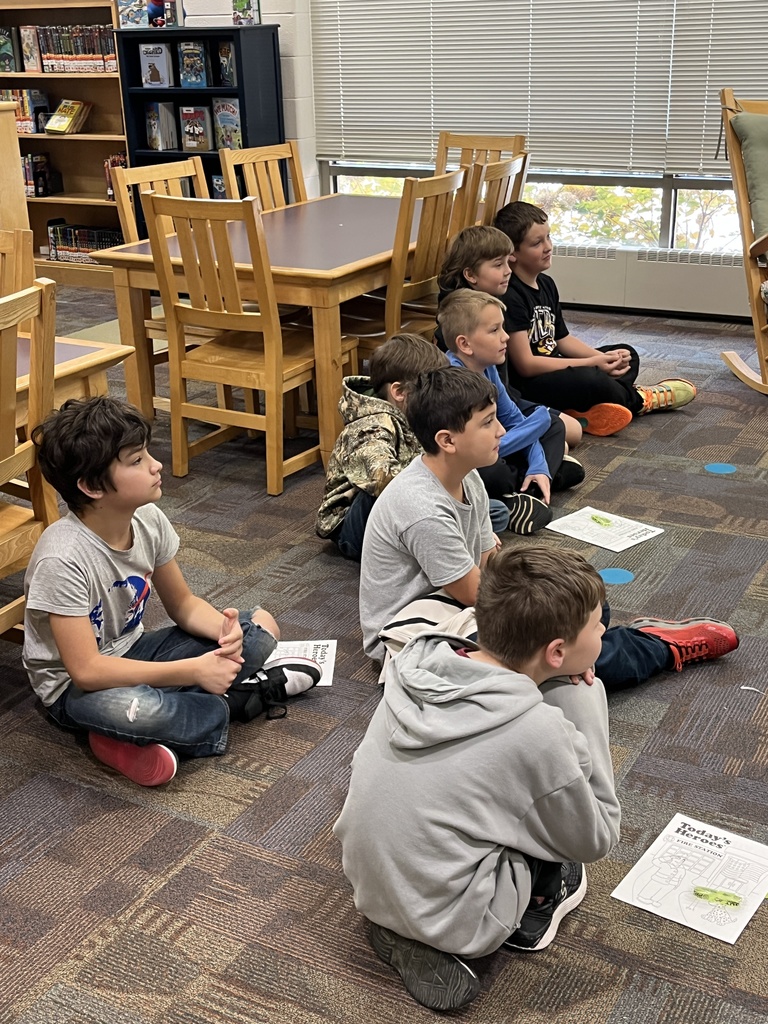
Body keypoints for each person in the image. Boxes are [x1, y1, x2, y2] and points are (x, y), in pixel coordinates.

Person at [336, 546, 622, 1011]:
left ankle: (396, 925)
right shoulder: (537, 732)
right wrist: (586, 709)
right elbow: (598, 836)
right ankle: (533, 902)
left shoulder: (417, 664)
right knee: (547, 820)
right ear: (556, 651)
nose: (604, 630)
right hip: (462, 920)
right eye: (595, 625)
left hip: (368, 881)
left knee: (468, 794)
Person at [359, 367, 739, 685]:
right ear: (448, 440)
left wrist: (554, 603)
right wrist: (551, 633)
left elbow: (491, 561)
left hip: (457, 611)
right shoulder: (422, 507)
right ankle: (657, 646)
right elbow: (475, 594)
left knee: (585, 607)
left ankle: (589, 643)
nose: (502, 432)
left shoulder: (467, 476)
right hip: (415, 638)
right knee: (558, 662)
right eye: (487, 423)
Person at [23, 396, 322, 787]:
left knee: (258, 633)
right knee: (146, 711)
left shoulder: (147, 518)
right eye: (136, 461)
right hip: (73, 688)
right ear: (92, 486)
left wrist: (223, 632)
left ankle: (132, 736)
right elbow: (87, 670)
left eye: (147, 453)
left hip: (134, 650)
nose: (156, 464)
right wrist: (193, 670)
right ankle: (239, 701)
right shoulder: (62, 559)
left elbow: (183, 605)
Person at [494, 201, 698, 436]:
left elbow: (562, 339)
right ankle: (639, 399)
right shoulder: (510, 295)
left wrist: (602, 357)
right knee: (591, 379)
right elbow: (526, 365)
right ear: (513, 254)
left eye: (548, 237)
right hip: (532, 385)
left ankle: (583, 412)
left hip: (558, 367)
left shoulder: (546, 284)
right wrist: (593, 364)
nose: (548, 246)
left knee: (625, 354)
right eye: (537, 243)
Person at [316, 334, 510, 559]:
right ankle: (433, 538)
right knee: (391, 491)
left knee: (494, 511)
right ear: (399, 392)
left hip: (416, 497)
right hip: (352, 522)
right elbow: (384, 481)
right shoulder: (370, 425)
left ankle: (441, 535)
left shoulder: (413, 414)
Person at [435, 224, 583, 450]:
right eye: (498, 265)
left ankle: (575, 418)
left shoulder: (495, 302)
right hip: (482, 413)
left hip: (506, 401)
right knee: (560, 438)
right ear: (470, 275)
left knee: (571, 431)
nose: (508, 271)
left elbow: (501, 389)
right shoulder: (460, 320)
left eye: (508, 262)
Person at [438, 289, 585, 509]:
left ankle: (535, 480)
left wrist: (537, 464)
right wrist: (539, 423)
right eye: (495, 330)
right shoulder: (455, 381)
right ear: (465, 344)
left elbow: (516, 420)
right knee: (495, 473)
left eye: (503, 327)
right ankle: (536, 485)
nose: (506, 336)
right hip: (472, 461)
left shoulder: (488, 368)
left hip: (496, 446)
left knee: (554, 425)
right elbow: (473, 451)